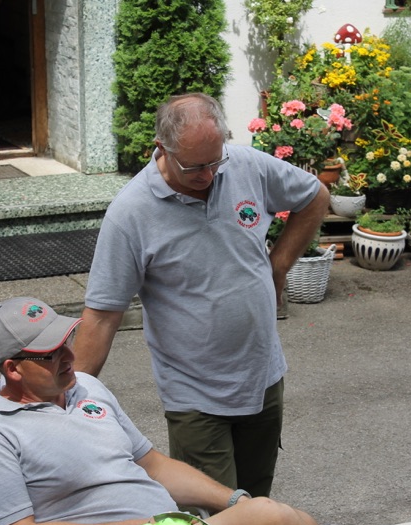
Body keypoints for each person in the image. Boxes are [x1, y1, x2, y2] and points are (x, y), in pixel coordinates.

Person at [72, 92, 330, 497]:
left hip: (262, 377)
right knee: (218, 515)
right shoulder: (131, 213)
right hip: (196, 396)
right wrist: (68, 399)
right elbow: (102, 316)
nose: (208, 175)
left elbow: (314, 196)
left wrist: (278, 266)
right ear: (162, 148)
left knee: (258, 505)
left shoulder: (244, 164)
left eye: (215, 161)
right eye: (193, 166)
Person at [0, 297, 341, 525]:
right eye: (51, 353)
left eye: (66, 341)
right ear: (13, 369)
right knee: (273, 520)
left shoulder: (87, 388)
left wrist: (234, 500)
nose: (70, 356)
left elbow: (153, 465)